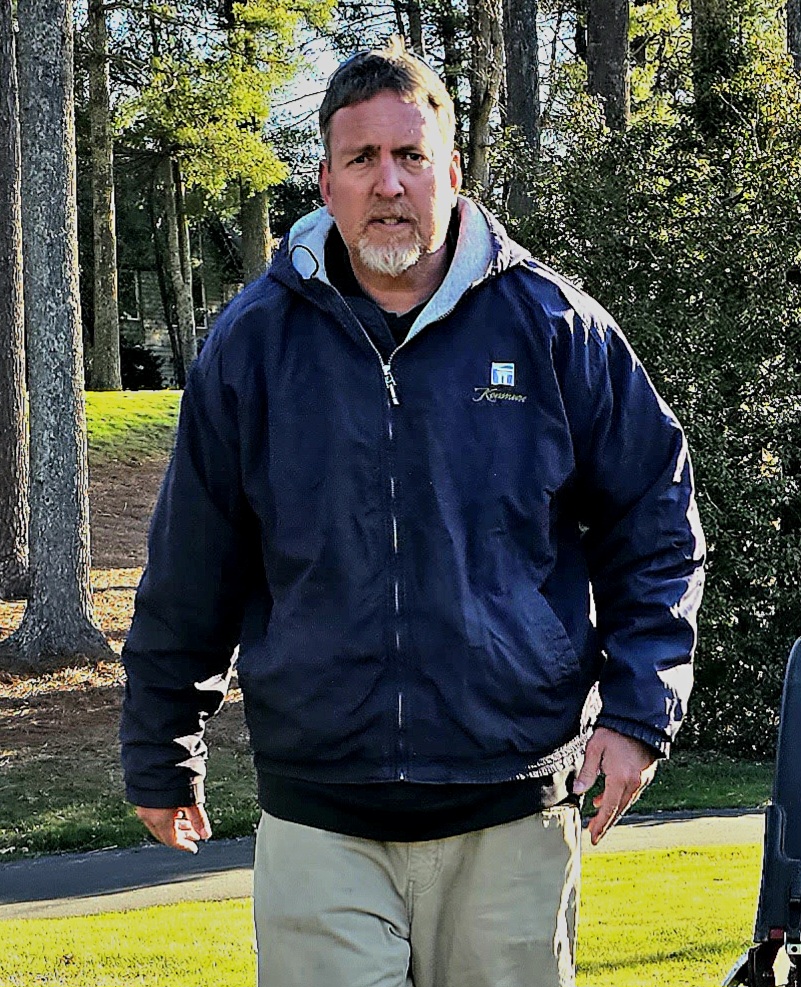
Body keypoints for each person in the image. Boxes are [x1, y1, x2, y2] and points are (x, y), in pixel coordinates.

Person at [120, 37, 705, 987]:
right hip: (321, 820)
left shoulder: (553, 327)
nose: (386, 184)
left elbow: (657, 522)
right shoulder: (252, 344)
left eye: (409, 156)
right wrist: (160, 743)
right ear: (324, 181)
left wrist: (639, 709)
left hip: (512, 812)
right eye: (361, 160)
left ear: (451, 171)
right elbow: (193, 561)